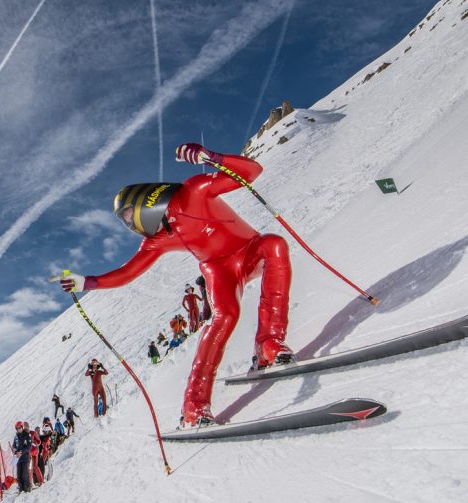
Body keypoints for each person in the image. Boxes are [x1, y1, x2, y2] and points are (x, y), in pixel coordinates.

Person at [56, 143, 293, 425]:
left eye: (131, 217)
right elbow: (128, 272)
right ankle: (194, 405)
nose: (133, 226)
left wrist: (213, 158)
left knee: (274, 244)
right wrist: (88, 282)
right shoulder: (158, 239)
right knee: (225, 316)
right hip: (219, 268)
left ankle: (269, 342)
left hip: (250, 250)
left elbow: (252, 171)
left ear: (146, 200)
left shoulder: (193, 190)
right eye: (127, 223)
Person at [12, 421, 32, 492]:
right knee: (19, 474)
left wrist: (21, 452)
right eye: (17, 428)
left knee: (25, 474)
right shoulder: (16, 437)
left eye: (20, 428)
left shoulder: (27, 435)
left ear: (22, 427)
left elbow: (29, 446)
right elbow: (13, 446)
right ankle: (21, 488)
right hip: (18, 459)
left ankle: (27, 488)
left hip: (25, 458)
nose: (19, 429)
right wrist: (15, 452)